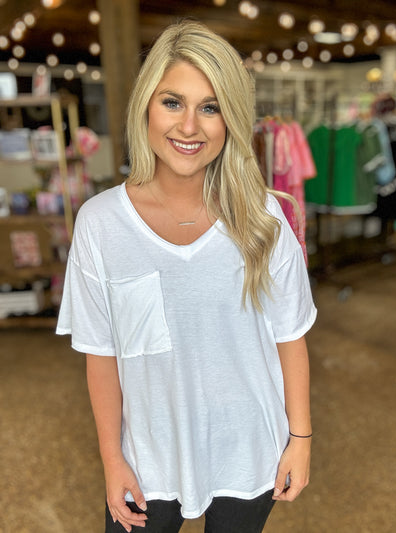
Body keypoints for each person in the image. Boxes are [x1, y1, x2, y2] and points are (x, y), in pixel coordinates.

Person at [56, 20, 317, 533]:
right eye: (173, 102)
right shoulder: (100, 223)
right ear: (146, 107)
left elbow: (290, 337)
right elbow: (101, 354)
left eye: (210, 107)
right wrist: (112, 459)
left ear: (230, 119)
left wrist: (301, 440)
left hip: (249, 450)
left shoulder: (263, 218)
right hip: (147, 458)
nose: (190, 126)